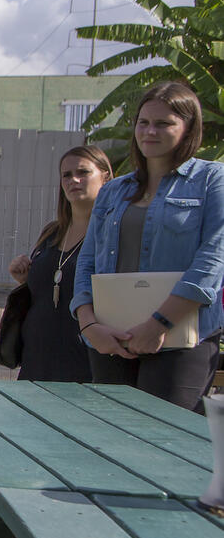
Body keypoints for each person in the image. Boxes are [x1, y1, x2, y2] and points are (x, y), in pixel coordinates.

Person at [72, 81, 224, 410]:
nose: (149, 131)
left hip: (180, 340)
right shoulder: (113, 191)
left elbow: (212, 262)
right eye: (143, 122)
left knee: (163, 444)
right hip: (111, 339)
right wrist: (89, 323)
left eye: (164, 123)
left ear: (189, 128)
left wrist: (158, 324)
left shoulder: (213, 180)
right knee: (112, 441)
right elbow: (87, 264)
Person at [7, 145, 112, 382]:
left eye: (83, 172)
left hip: (85, 356)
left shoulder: (112, 233)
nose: (73, 180)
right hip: (37, 356)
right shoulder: (52, 232)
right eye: (66, 175)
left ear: (105, 177)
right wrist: (26, 277)